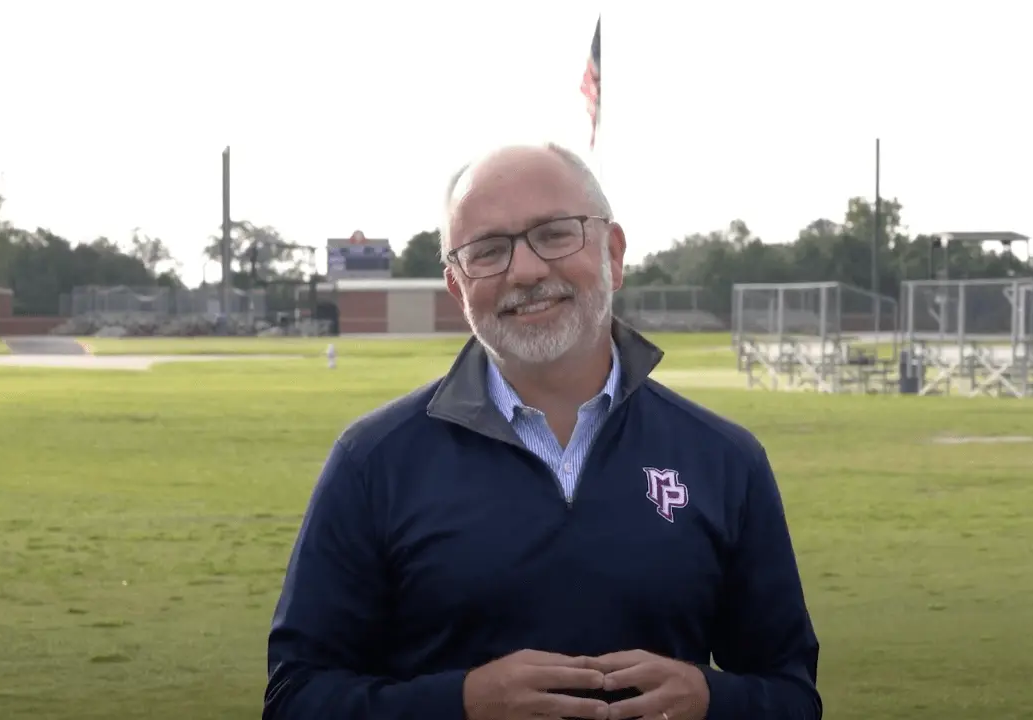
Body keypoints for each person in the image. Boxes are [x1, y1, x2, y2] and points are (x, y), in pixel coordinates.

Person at [264, 142, 821, 720]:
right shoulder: (373, 462)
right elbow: (295, 699)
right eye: (488, 250)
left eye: (554, 234)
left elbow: (792, 694)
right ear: (457, 288)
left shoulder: (724, 459)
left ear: (614, 252)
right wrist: (461, 705)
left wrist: (711, 701)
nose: (526, 270)